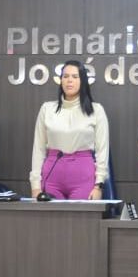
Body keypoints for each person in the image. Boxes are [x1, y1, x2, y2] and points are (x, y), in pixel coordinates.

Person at [29, 60, 109, 200]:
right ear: (60, 80)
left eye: (75, 77)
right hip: (52, 175)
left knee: (80, 214)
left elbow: (102, 150)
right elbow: (38, 149)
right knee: (51, 215)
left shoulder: (96, 110)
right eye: (65, 76)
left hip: (83, 175)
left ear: (82, 81)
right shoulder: (47, 109)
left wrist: (98, 185)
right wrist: (35, 185)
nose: (69, 81)